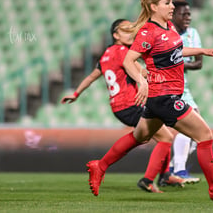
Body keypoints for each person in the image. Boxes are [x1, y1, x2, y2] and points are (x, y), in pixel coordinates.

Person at [86, 0, 213, 201]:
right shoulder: (147, 32)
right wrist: (141, 81)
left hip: (160, 98)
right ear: (153, 7)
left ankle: (100, 165)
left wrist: (202, 51)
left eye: (171, 3)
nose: (172, 7)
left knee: (138, 136)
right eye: (167, 3)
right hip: (164, 97)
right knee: (205, 136)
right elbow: (128, 61)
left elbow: (176, 50)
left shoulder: (168, 26)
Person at [61, 19, 184, 194]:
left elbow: (91, 77)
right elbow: (140, 71)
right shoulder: (123, 52)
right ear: (115, 35)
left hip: (119, 108)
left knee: (159, 135)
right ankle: (148, 180)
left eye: (132, 29)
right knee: (165, 137)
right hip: (132, 103)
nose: (131, 33)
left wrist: (75, 94)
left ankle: (164, 176)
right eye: (126, 30)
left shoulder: (105, 55)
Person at [168, 0, 202, 184]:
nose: (188, 17)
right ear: (173, 15)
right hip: (169, 86)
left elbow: (199, 63)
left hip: (184, 86)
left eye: (189, 14)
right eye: (184, 14)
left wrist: (180, 64)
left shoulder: (193, 33)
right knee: (191, 127)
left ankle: (173, 168)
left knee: (197, 133)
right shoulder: (167, 34)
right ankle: (178, 169)